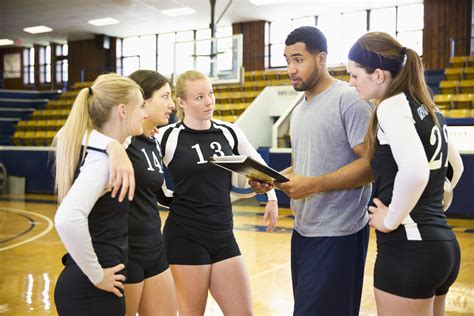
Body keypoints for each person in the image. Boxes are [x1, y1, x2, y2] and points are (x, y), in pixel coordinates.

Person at [251, 26, 373, 315]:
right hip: (304, 230)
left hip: (339, 233)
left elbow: (371, 165)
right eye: (287, 60)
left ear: (321, 58)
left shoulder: (350, 99)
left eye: (298, 59)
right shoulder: (301, 108)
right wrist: (273, 179)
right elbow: (307, 164)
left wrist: (313, 185)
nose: (291, 69)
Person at [347, 32, 464, 316]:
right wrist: (432, 207)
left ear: (378, 75)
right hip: (443, 246)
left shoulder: (391, 106)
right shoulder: (429, 107)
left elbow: (415, 172)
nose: (350, 83)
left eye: (353, 75)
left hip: (409, 251)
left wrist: (391, 219)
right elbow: (455, 168)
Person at [156, 70, 279, 315]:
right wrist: (175, 201)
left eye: (210, 94)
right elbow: (151, 179)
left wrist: (271, 198)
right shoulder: (166, 136)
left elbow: (259, 168)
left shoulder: (229, 132)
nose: (209, 101)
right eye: (199, 97)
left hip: (223, 234)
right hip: (185, 236)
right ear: (181, 102)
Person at [53, 73, 146, 315]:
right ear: (123, 111)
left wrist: (112, 144)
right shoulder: (103, 162)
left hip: (90, 288)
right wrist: (97, 276)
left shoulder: (109, 150)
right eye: (141, 106)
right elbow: (67, 218)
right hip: (91, 291)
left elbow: (68, 133)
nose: (145, 114)